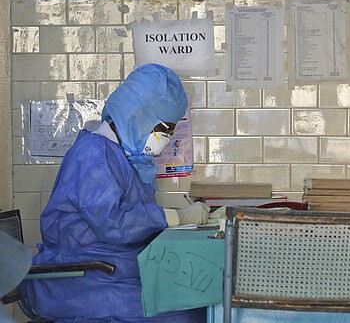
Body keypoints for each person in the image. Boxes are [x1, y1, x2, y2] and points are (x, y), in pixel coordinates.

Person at [21, 63, 209, 323]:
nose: (167, 138)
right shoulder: (92, 154)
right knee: (184, 316)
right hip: (76, 279)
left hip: (107, 271)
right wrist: (176, 217)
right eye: (164, 129)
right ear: (139, 115)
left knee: (200, 306)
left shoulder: (124, 157)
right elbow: (113, 222)